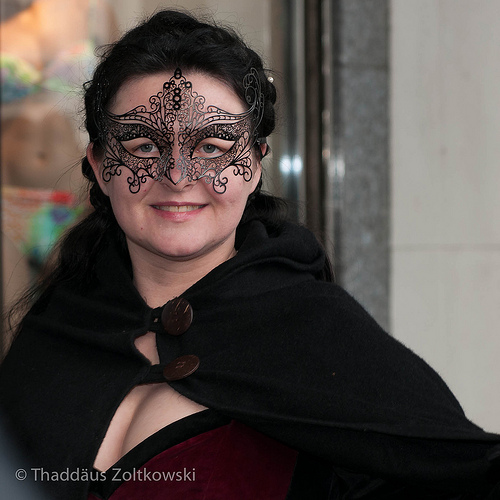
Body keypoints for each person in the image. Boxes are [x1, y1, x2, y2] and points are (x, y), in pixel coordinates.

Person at [1, 9, 499, 500]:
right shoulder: (56, 329)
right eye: (144, 146)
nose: (178, 176)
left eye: (212, 147)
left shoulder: (317, 335)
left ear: (257, 163)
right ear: (98, 163)